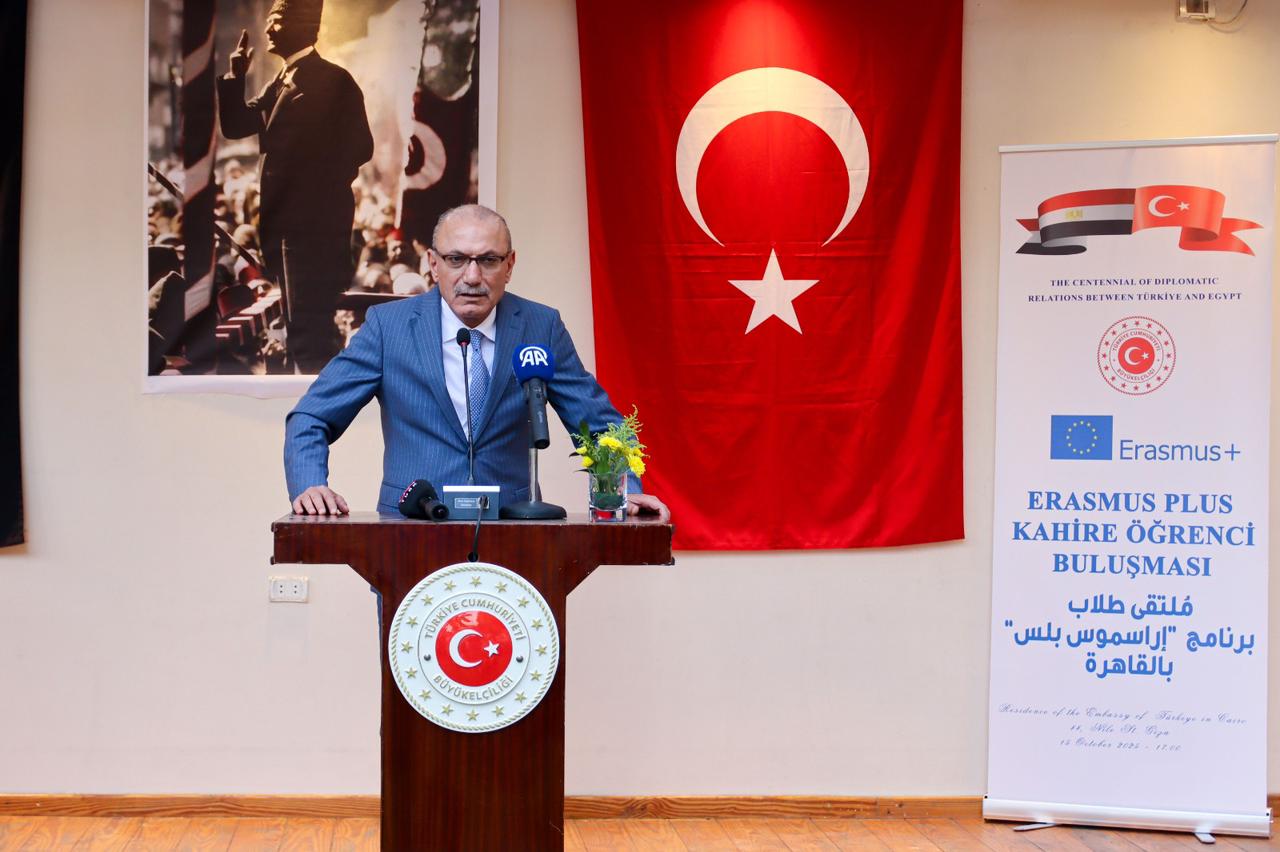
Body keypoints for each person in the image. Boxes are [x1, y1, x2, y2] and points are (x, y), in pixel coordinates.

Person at [285, 205, 670, 521]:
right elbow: (311, 417)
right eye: (456, 259)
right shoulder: (389, 327)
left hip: (515, 533)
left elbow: (599, 425)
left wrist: (625, 492)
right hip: (412, 531)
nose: (472, 276)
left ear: (510, 265)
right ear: (433, 264)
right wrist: (310, 484)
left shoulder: (541, 326)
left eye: (488, 260)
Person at [216, 0, 373, 374]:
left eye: (277, 21)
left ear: (304, 28)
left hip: (313, 232)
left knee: (310, 336)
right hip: (285, 230)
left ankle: (322, 399)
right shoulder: (281, 81)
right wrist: (235, 76)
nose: (268, 29)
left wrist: (311, 194)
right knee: (297, 329)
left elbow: (360, 147)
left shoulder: (334, 80)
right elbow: (236, 126)